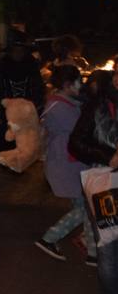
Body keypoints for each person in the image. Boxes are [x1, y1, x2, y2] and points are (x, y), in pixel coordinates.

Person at [66, 68, 118, 294]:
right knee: (108, 249)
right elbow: (75, 143)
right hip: (105, 185)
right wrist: (107, 157)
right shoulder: (98, 106)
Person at [36, 65, 93, 265]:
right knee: (85, 208)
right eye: (78, 81)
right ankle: (49, 238)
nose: (81, 85)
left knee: (83, 205)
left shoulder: (63, 103)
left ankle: (91, 250)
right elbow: (82, 129)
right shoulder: (60, 108)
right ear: (68, 84)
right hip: (66, 164)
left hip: (69, 162)